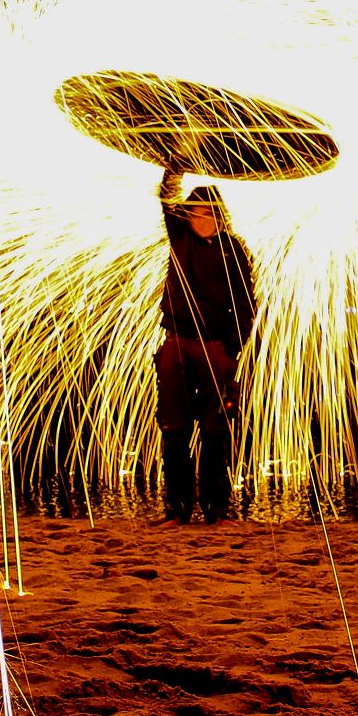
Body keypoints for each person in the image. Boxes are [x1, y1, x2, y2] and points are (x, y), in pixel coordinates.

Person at [155, 167, 256, 522]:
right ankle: (177, 508)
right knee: (174, 427)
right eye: (198, 212)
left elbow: (246, 301)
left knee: (217, 428)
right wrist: (175, 167)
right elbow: (166, 198)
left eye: (211, 213)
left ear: (221, 217)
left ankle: (217, 508)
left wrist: (233, 346)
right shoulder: (179, 237)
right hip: (178, 344)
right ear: (188, 215)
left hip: (216, 347)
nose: (204, 219)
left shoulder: (234, 251)